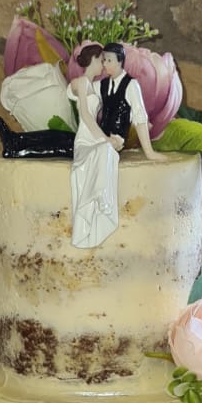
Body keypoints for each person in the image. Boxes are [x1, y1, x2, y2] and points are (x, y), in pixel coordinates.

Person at [66, 42, 121, 249]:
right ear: (93, 60)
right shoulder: (80, 82)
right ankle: (95, 201)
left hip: (95, 137)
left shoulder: (95, 86)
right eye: (102, 61)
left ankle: (101, 198)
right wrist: (105, 139)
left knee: (106, 151)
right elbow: (87, 116)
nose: (104, 65)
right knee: (104, 149)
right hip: (84, 140)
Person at [99, 43, 166, 162]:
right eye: (104, 60)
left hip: (115, 142)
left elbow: (140, 118)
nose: (104, 64)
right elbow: (78, 93)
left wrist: (149, 152)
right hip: (101, 138)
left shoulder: (131, 85)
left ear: (120, 61)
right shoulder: (103, 84)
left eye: (109, 60)